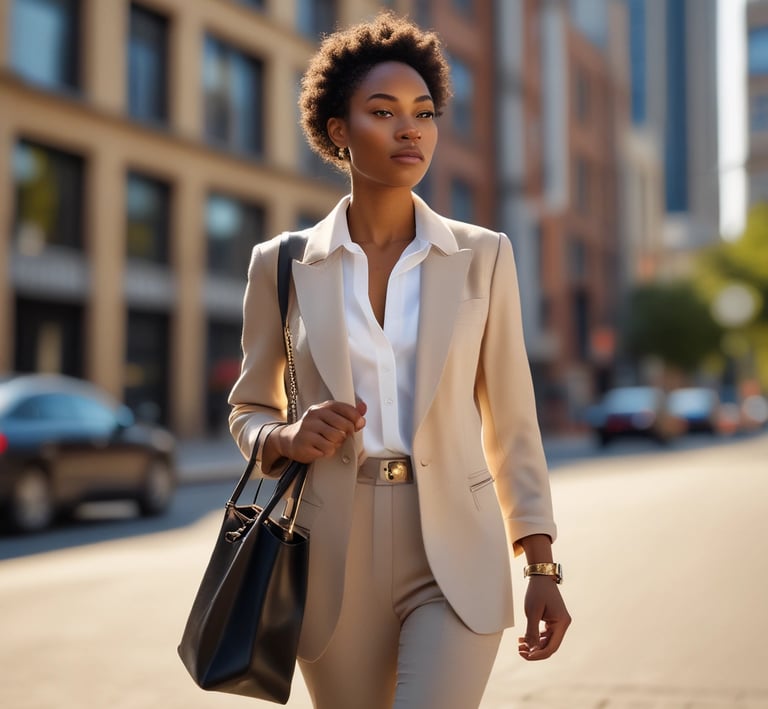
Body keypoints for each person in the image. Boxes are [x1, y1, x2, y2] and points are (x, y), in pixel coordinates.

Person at [228, 12, 570, 709]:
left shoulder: (485, 256)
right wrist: (284, 436)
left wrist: (541, 561)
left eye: (423, 113)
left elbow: (512, 420)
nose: (409, 129)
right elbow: (248, 406)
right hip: (330, 553)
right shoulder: (282, 265)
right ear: (338, 131)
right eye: (382, 112)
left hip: (454, 551)